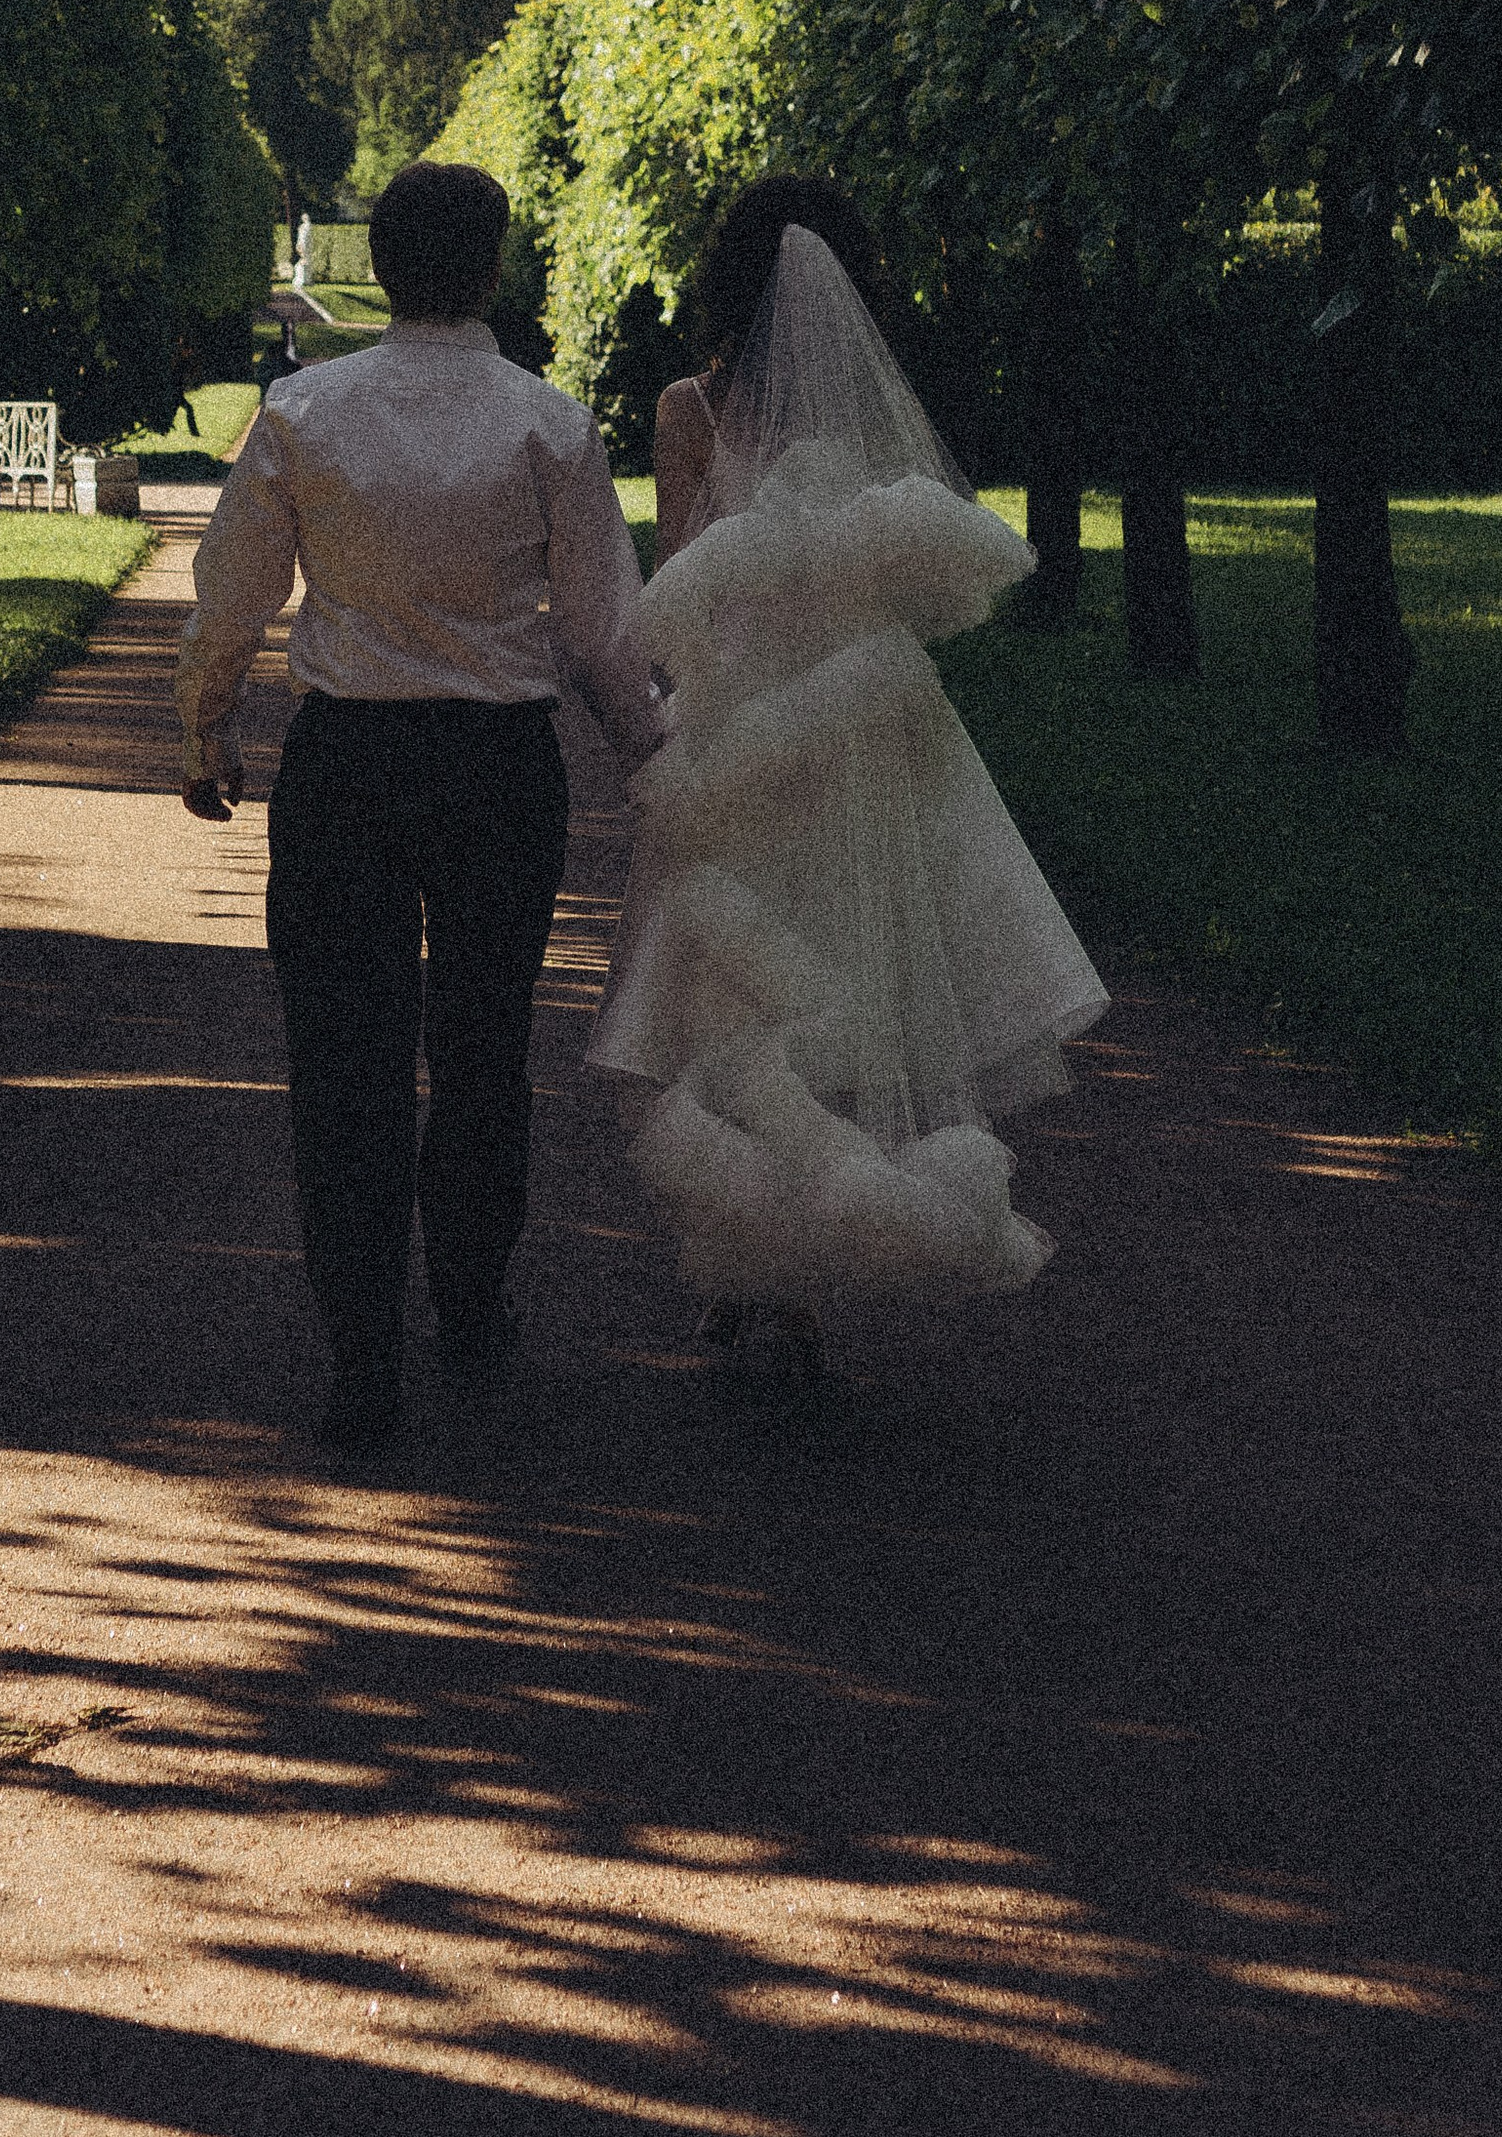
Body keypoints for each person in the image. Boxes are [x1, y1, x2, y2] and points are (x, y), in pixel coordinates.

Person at [177, 160, 663, 1455]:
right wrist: (657, 758)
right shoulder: (548, 425)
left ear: (380, 268)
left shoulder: (304, 413)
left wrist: (207, 728)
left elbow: (232, 592)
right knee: (485, 1048)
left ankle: (361, 1351)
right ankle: (467, 1298)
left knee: (345, 1061)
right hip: (502, 770)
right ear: (492, 269)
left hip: (347, 768)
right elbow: (607, 633)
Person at [591, 179, 1106, 1375]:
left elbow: (676, 585)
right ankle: (822, 1234)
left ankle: (752, 1260)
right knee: (853, 968)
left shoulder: (688, 411)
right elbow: (927, 588)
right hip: (860, 721)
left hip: (738, 731)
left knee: (732, 992)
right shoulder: (875, 420)